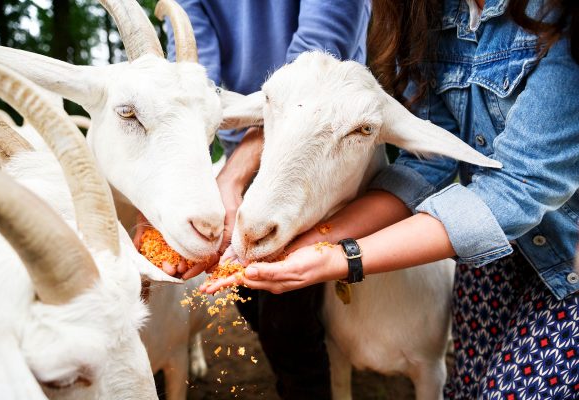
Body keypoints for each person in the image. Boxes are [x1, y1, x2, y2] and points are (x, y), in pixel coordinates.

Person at [204, 0, 579, 398]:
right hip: (490, 260)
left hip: (568, 260)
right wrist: (321, 240)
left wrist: (344, 257)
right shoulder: (430, 14)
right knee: (466, 389)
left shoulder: (562, 17)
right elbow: (425, 167)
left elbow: (521, 185)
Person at [163, 1, 371, 399]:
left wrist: (235, 172)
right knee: (252, 300)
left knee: (285, 322)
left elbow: (320, 52)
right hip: (239, 139)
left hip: (321, 151)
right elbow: (195, 82)